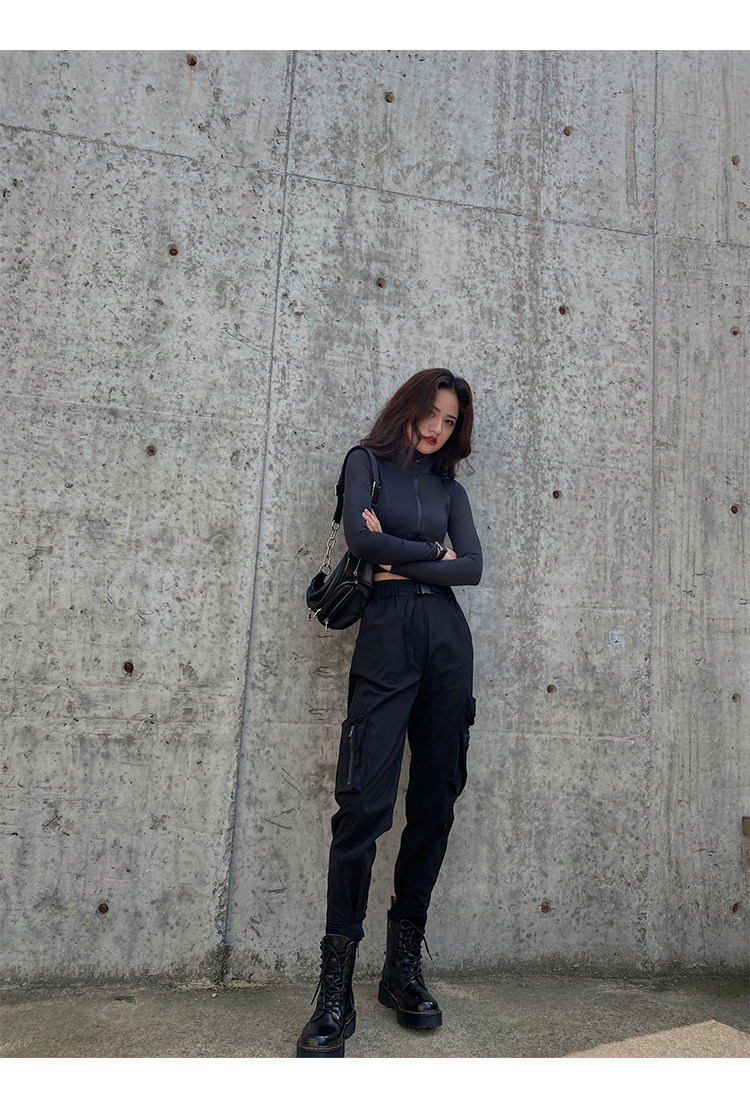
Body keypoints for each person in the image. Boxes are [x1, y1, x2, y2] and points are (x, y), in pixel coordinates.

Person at [296, 368, 482, 1058]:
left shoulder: (451, 490)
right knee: (363, 807)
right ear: (408, 407)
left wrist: (410, 558)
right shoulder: (365, 464)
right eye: (431, 414)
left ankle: (402, 969)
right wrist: (434, 551)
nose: (437, 429)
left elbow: (472, 568)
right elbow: (362, 542)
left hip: (447, 645)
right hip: (386, 640)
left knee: (435, 802)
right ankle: (334, 990)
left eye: (449, 422)